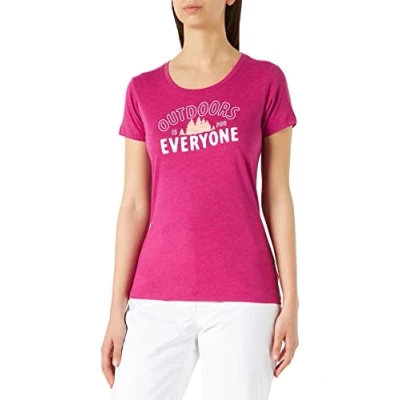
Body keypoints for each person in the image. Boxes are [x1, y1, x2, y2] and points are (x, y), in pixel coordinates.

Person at [102, 1, 299, 399]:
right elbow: (134, 204)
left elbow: (277, 194)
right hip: (155, 295)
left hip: (244, 296)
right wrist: (115, 310)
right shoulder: (143, 90)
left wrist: (291, 299)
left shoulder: (265, 81)